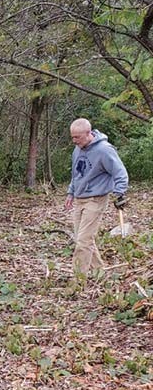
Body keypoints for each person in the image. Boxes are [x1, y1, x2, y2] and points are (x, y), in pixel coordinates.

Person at [64, 118, 128, 276]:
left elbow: (120, 172)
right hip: (80, 198)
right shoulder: (78, 149)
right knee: (83, 238)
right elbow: (76, 174)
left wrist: (120, 193)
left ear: (88, 133)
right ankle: (100, 273)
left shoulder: (104, 150)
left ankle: (79, 279)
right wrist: (71, 192)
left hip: (96, 199)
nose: (74, 141)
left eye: (77, 137)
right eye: (72, 137)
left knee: (83, 241)